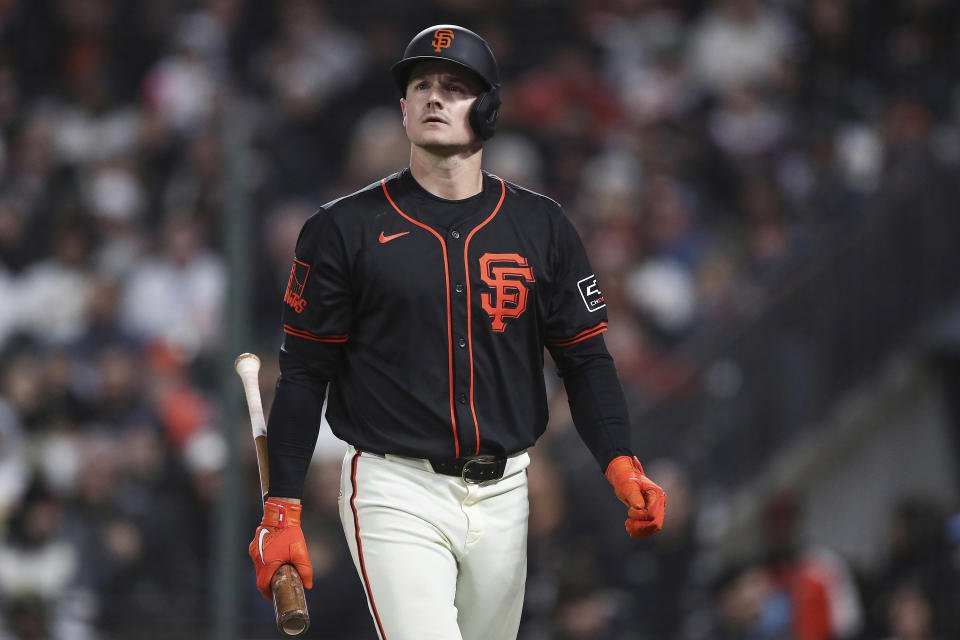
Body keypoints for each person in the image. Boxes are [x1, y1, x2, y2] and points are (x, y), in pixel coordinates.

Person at [249, 24, 666, 640]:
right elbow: (306, 373)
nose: (434, 98)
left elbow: (585, 360)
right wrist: (282, 505)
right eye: (421, 86)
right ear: (403, 108)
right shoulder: (343, 228)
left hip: (506, 488)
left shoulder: (540, 225)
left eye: (454, 87)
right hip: (395, 486)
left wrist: (621, 461)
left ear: (490, 108)